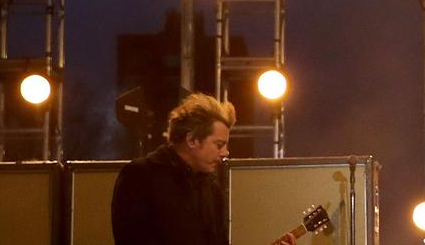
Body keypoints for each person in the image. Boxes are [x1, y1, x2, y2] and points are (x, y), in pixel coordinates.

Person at [111, 92, 296, 245]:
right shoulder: (140, 177)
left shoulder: (211, 190)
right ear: (192, 140)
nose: (226, 152)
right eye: (218, 144)